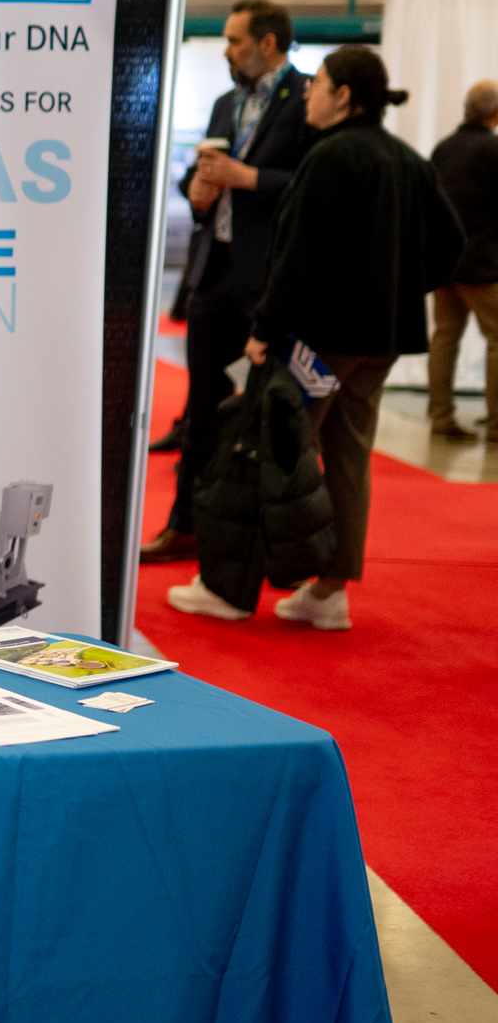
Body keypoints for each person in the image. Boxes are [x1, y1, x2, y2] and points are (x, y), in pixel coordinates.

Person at [168, 46, 463, 629]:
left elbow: (296, 256)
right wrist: (399, 292)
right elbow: (450, 243)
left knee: (267, 451)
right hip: (380, 341)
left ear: (344, 96)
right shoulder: (407, 159)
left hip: (318, 341)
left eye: (319, 82)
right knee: (348, 457)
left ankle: (228, 589)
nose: (308, 90)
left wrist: (264, 329)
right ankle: (329, 592)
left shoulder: (329, 157)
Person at [143, 0, 311, 563]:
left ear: (267, 44)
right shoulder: (225, 104)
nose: (226, 51)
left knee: (273, 417)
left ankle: (268, 543)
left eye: (235, 41)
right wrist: (195, 189)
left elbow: (311, 186)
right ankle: (185, 527)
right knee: (202, 411)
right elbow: (205, 171)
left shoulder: (305, 99)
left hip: (270, 281)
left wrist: (250, 177)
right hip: (213, 273)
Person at [426, 79, 498, 442]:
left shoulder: (444, 148)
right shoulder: (493, 150)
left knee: (444, 338)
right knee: (497, 339)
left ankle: (441, 417)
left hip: (445, 264)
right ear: (494, 113)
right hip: (483, 266)